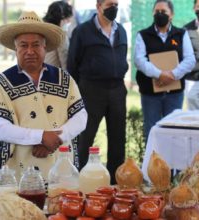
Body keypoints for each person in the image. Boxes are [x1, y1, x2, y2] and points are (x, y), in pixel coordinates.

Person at [0, 11, 87, 181]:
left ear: (45, 47)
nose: (30, 51)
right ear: (15, 49)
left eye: (36, 45)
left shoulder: (64, 79)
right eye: (23, 45)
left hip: (62, 171)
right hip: (21, 175)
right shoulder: (2, 83)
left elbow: (81, 117)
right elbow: (1, 129)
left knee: (62, 206)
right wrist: (41, 137)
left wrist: (55, 139)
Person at [67, 0, 129, 184]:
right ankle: (80, 182)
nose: (114, 8)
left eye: (116, 4)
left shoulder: (121, 31)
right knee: (84, 139)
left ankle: (115, 184)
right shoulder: (83, 31)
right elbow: (72, 64)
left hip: (117, 90)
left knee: (118, 140)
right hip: (91, 91)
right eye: (110, 4)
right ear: (98, 6)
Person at [134, 0, 196, 140]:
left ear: (172, 15)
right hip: (150, 94)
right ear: (152, 13)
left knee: (174, 132)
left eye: (164, 12)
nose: (160, 14)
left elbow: (190, 60)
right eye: (157, 12)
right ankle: (152, 161)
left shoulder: (181, 34)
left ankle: (172, 162)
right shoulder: (143, 35)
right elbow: (139, 60)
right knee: (151, 131)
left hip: (174, 94)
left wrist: (172, 75)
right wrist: (159, 74)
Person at [43, 1, 73, 69]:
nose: (69, 21)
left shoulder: (44, 31)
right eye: (68, 18)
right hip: (54, 75)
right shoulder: (60, 34)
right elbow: (64, 60)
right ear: (63, 18)